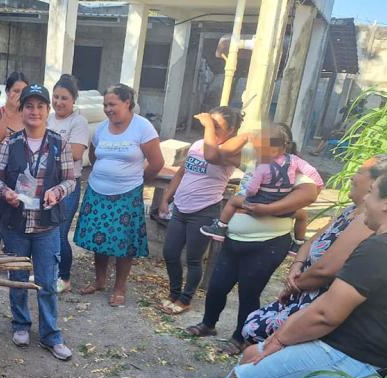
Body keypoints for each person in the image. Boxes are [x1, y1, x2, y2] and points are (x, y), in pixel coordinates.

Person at [204, 165, 387, 378]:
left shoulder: (380, 250)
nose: (365, 199)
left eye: (372, 192)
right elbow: (328, 305)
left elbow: (325, 315)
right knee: (251, 354)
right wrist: (279, 337)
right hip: (366, 352)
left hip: (354, 357)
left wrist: (280, 339)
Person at [241, 154, 387, 344]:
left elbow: (325, 271)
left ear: (377, 182)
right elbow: (311, 241)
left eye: (359, 172)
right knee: (253, 324)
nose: (352, 177)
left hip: (317, 302)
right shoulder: (351, 211)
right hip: (302, 292)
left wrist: (294, 285)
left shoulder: (366, 222)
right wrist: (296, 266)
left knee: (254, 329)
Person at [184, 165, 320, 355]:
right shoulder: (254, 163)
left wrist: (267, 208)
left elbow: (308, 198)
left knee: (249, 292)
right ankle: (208, 323)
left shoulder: (291, 172)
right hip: (234, 240)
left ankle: (240, 338)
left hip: (268, 244)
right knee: (217, 286)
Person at [0, 84, 76, 361]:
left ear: (47, 110)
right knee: (17, 279)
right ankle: (21, 325)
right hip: (16, 225)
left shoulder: (59, 144)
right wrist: (6, 192)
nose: (35, 111)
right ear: (22, 110)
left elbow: (71, 180)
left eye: (40, 106)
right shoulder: (10, 143)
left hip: (46, 226)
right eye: (29, 106)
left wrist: (57, 192)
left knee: (47, 283)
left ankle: (51, 335)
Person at [74, 83, 164, 306]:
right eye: (105, 105)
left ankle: (120, 287)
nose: (107, 109)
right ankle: (99, 280)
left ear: (127, 102)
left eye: (112, 104)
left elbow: (156, 162)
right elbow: (94, 157)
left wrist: (136, 180)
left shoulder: (143, 128)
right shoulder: (101, 129)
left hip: (127, 194)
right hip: (98, 190)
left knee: (124, 242)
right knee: (100, 238)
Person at [156, 106, 247, 316]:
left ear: (231, 130)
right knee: (170, 253)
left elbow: (211, 155)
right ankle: (174, 293)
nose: (210, 128)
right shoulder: (198, 144)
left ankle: (185, 299)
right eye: (209, 124)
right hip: (181, 207)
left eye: (216, 126)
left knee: (193, 259)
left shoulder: (230, 152)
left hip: (204, 210)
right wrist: (166, 199)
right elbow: (181, 173)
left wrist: (207, 126)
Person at [200, 124, 324, 256]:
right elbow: (221, 153)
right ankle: (298, 243)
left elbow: (310, 194)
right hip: (236, 237)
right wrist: (246, 136)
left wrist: (267, 208)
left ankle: (220, 227)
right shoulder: (278, 161)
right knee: (302, 215)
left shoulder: (275, 167)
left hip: (264, 240)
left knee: (233, 201)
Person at [46, 74, 90, 294]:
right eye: (55, 97)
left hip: (68, 186)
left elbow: (76, 153)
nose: (59, 102)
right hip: (46, 184)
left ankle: (64, 277)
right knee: (46, 232)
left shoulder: (78, 122)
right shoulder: (48, 118)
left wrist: (48, 147)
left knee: (60, 233)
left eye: (64, 98)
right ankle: (49, 272)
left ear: (73, 99)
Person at [0, 71, 29, 254]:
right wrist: (10, 112)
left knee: (18, 224)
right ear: (7, 91)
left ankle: (14, 261)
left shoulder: (29, 113)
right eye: (15, 90)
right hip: (1, 175)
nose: (19, 95)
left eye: (23, 91)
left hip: (24, 177)